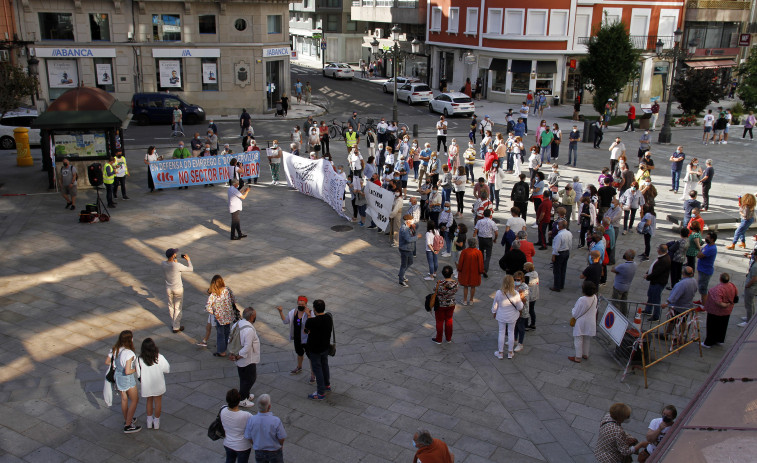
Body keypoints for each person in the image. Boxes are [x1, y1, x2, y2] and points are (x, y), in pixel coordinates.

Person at [107, 330, 141, 433]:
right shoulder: (129, 353)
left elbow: (107, 361)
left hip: (118, 377)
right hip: (127, 379)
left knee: (124, 399)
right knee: (135, 400)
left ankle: (127, 419)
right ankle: (128, 425)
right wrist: (137, 368)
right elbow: (127, 371)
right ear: (130, 339)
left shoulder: (115, 349)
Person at [229, 307, 260, 408]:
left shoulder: (236, 324)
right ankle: (242, 399)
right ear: (251, 317)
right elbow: (247, 347)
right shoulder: (249, 330)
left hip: (239, 357)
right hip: (247, 359)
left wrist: (233, 353)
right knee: (250, 378)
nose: (255, 317)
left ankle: (245, 395)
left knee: (243, 377)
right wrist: (238, 356)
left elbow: (230, 339)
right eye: (254, 315)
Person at [137, 338, 170, 430]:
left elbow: (138, 374)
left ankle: (149, 421)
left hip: (147, 384)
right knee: (158, 402)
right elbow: (167, 369)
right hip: (158, 384)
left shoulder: (139, 359)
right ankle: (156, 422)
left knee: (149, 401)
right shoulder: (159, 357)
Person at [243, 394, 287, 463]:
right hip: (274, 451)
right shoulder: (276, 421)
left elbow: (248, 437)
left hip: (259, 451)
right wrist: (280, 445)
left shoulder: (251, 420)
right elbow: (282, 437)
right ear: (269, 406)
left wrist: (255, 444)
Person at [304, 299, 333, 401]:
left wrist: (308, 315)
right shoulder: (329, 318)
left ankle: (320, 393)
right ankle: (327, 385)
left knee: (317, 369)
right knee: (325, 365)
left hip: (315, 349)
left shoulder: (311, 321)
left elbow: (306, 331)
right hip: (325, 347)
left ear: (314, 309)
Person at [701, 273, 739, 348]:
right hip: (727, 312)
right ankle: (719, 339)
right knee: (722, 325)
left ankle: (709, 343)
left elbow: (718, 302)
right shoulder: (732, 285)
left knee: (712, 326)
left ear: (720, 279)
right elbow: (735, 295)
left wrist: (726, 305)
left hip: (715, 311)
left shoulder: (718, 289)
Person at [492, 275, 524, 359]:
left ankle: (500, 352)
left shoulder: (499, 292)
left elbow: (495, 304)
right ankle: (510, 352)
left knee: (501, 332)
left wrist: (494, 312)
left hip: (501, 315)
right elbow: (520, 307)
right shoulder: (516, 293)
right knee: (511, 332)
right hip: (512, 316)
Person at [206, 275, 237, 357]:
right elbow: (234, 300)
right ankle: (228, 347)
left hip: (220, 318)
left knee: (220, 334)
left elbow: (208, 307)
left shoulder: (214, 294)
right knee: (227, 332)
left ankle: (221, 351)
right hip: (229, 316)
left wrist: (215, 312)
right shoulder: (228, 290)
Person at [162, 248, 192, 333]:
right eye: (175, 253)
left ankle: (173, 323)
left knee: (170, 306)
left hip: (169, 288)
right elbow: (190, 268)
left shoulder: (163, 264)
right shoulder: (177, 265)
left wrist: (174, 263)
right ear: (173, 255)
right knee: (178, 307)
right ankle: (176, 326)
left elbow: (170, 266)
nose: (176, 254)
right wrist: (188, 260)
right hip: (178, 289)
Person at [221, 389, 253, 462]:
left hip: (228, 443)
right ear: (239, 401)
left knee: (229, 460)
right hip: (242, 446)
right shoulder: (246, 415)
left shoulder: (222, 410)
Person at [569, 281, 598, 363]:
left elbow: (575, 313)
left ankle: (578, 357)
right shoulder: (595, 297)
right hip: (591, 321)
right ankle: (585, 354)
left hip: (581, 322)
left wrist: (572, 311)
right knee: (587, 338)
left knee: (578, 338)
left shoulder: (582, 299)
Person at [643, 244, 671, 322]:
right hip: (655, 281)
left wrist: (648, 277)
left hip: (658, 282)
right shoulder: (662, 257)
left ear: (660, 250)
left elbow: (656, 272)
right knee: (650, 295)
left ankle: (656, 316)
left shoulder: (664, 260)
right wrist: (648, 272)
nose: (657, 250)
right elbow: (654, 267)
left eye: (658, 248)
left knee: (656, 299)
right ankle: (648, 310)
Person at [431, 265, 458, 344]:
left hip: (440, 304)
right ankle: (448, 338)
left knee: (439, 321)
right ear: (452, 273)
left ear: (443, 273)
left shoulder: (439, 283)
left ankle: (439, 339)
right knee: (449, 320)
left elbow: (434, 290)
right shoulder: (455, 283)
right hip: (451, 304)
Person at [458, 238, 484, 306]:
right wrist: (481, 271)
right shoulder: (478, 252)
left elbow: (460, 262)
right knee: (473, 286)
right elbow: (481, 263)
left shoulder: (464, 251)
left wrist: (459, 269)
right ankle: (471, 300)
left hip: (465, 271)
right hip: (475, 272)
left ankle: (465, 300)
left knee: (465, 286)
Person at [610, 250, 637, 316]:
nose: (624, 255)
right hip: (627, 286)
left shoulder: (623, 266)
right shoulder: (635, 264)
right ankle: (624, 315)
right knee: (624, 302)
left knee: (616, 302)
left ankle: (615, 316)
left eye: (625, 254)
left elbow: (613, 270)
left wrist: (613, 267)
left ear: (628, 256)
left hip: (618, 287)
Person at [473, 208, 498, 278]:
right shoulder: (492, 222)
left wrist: (474, 239)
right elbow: (496, 233)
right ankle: (485, 269)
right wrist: (495, 239)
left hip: (481, 239)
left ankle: (480, 267)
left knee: (481, 253)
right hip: (488, 239)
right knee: (488, 255)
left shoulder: (479, 221)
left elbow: (475, 231)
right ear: (490, 215)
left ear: (483, 214)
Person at [398, 214, 421, 287]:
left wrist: (414, 228)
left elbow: (414, 230)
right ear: (408, 221)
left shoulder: (409, 227)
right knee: (404, 265)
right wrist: (417, 237)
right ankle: (401, 280)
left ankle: (402, 273)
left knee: (410, 262)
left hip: (410, 249)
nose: (413, 222)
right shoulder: (404, 229)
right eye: (412, 221)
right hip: (405, 249)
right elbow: (408, 239)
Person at [550, 219, 572, 291]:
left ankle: (557, 286)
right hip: (566, 252)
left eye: (558, 224)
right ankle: (561, 284)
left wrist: (553, 256)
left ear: (561, 226)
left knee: (557, 270)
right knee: (563, 269)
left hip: (560, 253)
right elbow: (570, 244)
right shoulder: (569, 233)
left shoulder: (559, 235)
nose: (557, 226)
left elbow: (556, 247)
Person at [697, 231, 718, 304]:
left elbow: (699, 255)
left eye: (708, 237)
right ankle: (702, 300)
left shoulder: (711, 248)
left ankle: (704, 305)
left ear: (712, 239)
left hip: (705, 271)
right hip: (702, 269)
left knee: (703, 288)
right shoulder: (708, 246)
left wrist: (699, 252)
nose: (706, 238)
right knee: (701, 286)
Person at [740, 248, 757, 327]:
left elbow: (754, 278)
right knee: (751, 303)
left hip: (751, 288)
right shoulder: (755, 263)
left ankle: (748, 321)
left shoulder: (755, 266)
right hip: (752, 287)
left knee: (749, 304)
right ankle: (750, 317)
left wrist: (748, 285)